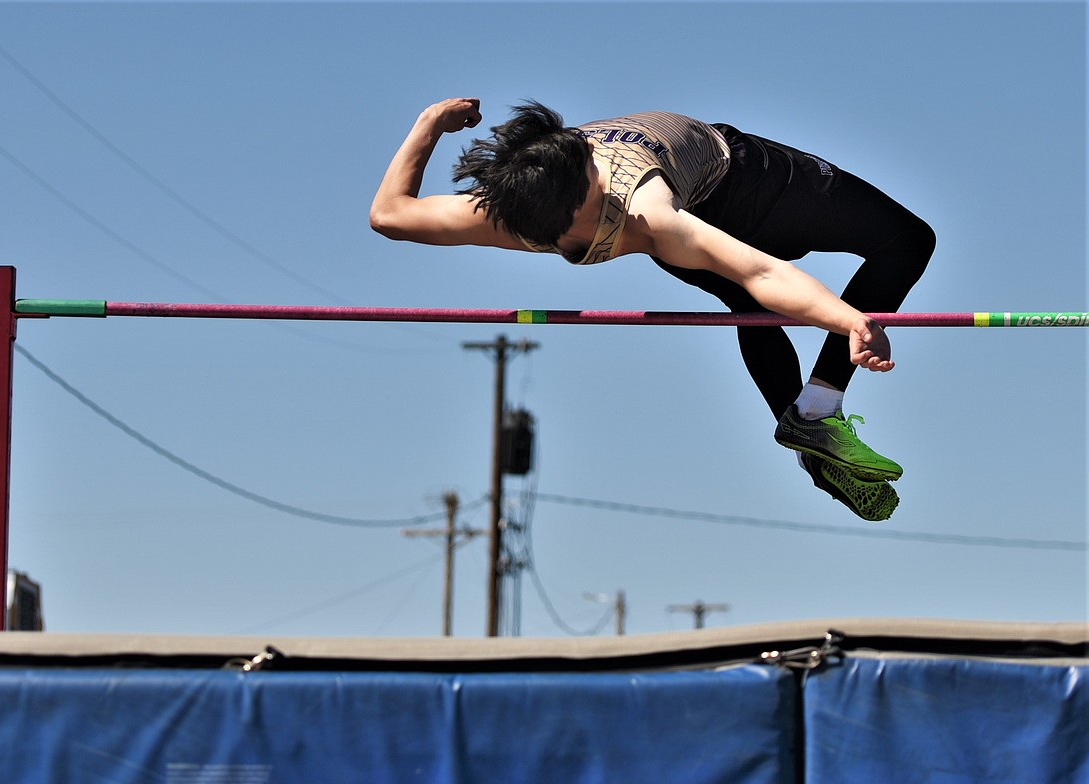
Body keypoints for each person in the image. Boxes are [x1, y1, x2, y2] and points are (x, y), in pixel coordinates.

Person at [370, 98, 936, 521]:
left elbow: (763, 271)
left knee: (902, 241)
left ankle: (813, 414)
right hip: (691, 220)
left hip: (745, 179)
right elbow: (390, 215)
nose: (599, 175)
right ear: (557, 224)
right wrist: (429, 126)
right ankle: (812, 426)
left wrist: (847, 322)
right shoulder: (502, 214)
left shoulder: (645, 208)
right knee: (748, 298)